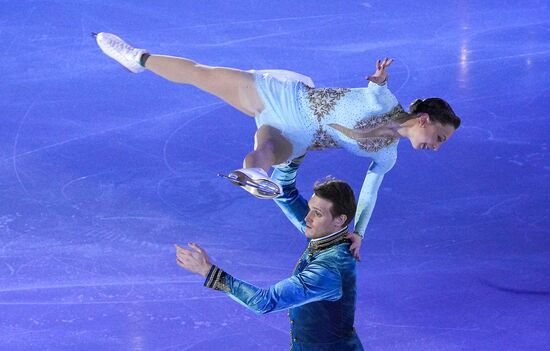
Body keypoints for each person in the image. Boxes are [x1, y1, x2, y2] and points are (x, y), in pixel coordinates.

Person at [94, 32, 461, 250]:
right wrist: (379, 79)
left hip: (300, 136)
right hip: (285, 98)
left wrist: (359, 233)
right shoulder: (386, 102)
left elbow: (369, 193)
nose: (437, 146)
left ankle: (252, 175)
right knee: (200, 75)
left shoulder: (388, 157)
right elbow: (376, 92)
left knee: (266, 152)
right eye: (439, 137)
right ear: (424, 119)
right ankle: (136, 57)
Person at [175, 158, 364, 350]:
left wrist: (208, 271)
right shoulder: (326, 234)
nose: (307, 218)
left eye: (317, 213)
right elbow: (284, 192)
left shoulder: (327, 270)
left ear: (339, 220)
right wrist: (292, 156)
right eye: (309, 209)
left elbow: (264, 302)